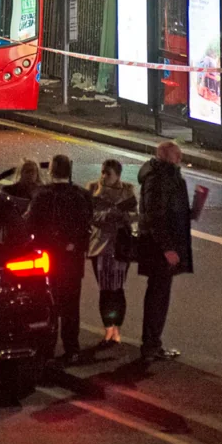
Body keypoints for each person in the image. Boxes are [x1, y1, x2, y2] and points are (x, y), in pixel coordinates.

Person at [27, 154, 93, 364]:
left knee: (50, 304)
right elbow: (86, 225)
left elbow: (31, 225)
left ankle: (47, 350)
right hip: (72, 260)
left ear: (51, 170)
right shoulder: (81, 195)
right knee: (71, 305)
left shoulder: (42, 194)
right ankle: (71, 348)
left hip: (48, 257)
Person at [137, 141, 192, 363]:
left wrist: (191, 211)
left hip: (162, 246)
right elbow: (155, 216)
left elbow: (171, 209)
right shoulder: (158, 178)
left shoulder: (167, 175)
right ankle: (150, 345)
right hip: (158, 249)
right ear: (166, 156)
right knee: (158, 297)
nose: (180, 158)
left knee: (159, 295)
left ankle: (153, 343)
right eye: (177, 155)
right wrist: (168, 248)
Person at [87, 159, 138, 347]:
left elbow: (134, 215)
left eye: (108, 173)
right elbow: (90, 215)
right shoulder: (93, 189)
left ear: (117, 175)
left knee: (117, 288)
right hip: (100, 245)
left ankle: (117, 327)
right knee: (105, 289)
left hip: (120, 246)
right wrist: (108, 214)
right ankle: (108, 327)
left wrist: (123, 216)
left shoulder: (127, 190)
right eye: (102, 172)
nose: (103, 176)